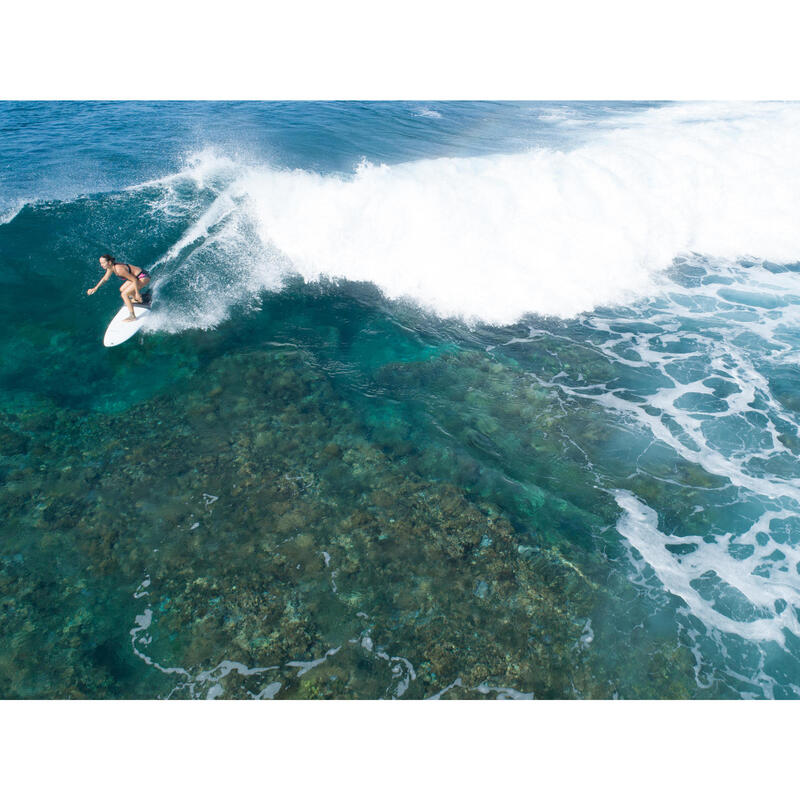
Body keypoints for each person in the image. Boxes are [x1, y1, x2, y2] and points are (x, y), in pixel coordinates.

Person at [87, 254, 151, 321]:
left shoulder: (119, 270)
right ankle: (136, 299)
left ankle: (132, 316)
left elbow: (134, 280)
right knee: (122, 289)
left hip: (143, 277)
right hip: (137, 277)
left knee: (124, 294)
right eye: (100, 263)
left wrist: (137, 293)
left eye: (103, 263)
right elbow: (105, 278)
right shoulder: (110, 268)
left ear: (109, 262)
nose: (101, 265)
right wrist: (95, 288)